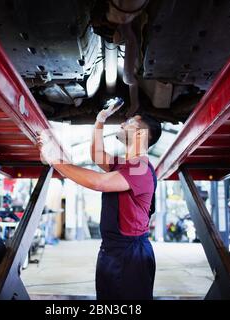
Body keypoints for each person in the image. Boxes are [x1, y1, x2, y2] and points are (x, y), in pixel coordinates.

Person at [37, 100, 162, 300]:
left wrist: (54, 160)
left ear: (140, 134)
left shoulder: (140, 167)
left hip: (129, 255)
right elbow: (97, 155)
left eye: (129, 122)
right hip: (113, 250)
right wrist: (100, 120)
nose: (122, 124)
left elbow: (99, 183)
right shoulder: (124, 164)